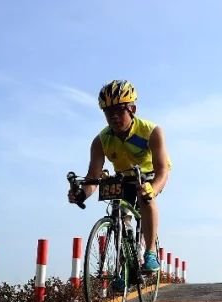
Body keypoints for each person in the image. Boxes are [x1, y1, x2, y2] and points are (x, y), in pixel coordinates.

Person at [69, 80, 171, 274]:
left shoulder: (151, 131)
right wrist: (81, 194)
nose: (114, 117)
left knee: (145, 196)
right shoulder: (100, 141)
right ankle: (125, 262)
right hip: (124, 176)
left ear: (132, 109)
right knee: (119, 213)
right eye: (108, 113)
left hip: (149, 173)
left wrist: (153, 188)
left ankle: (149, 252)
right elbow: (93, 178)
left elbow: (162, 171)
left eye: (119, 111)